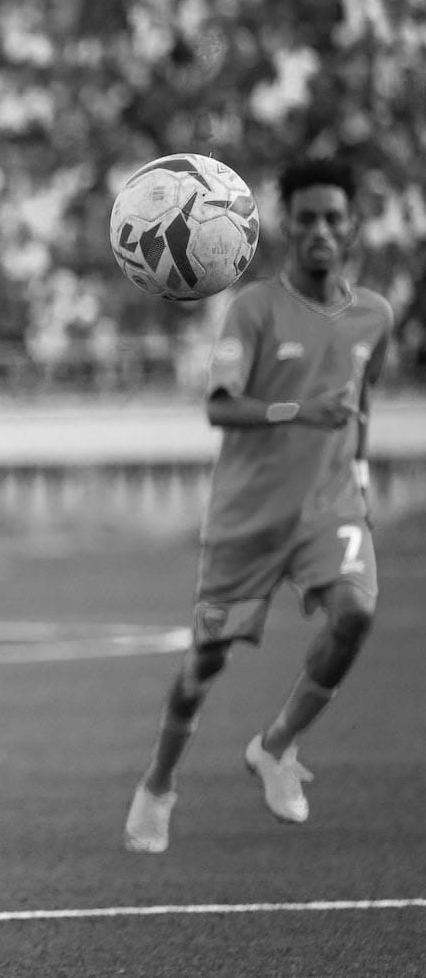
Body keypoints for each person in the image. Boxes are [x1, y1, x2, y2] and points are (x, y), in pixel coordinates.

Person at [125, 156, 393, 853]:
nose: (321, 232)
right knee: (204, 666)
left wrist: (360, 478)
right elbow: (220, 409)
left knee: (356, 612)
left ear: (353, 227)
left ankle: (276, 745)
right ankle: (158, 783)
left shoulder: (374, 316)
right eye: (307, 219)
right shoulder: (253, 308)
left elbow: (360, 403)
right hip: (247, 519)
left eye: (333, 219)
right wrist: (298, 410)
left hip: (329, 507)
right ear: (283, 226)